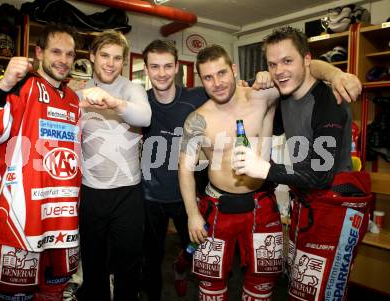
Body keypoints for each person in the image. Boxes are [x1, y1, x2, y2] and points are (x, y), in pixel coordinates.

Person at [178, 44, 362, 301]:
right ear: (201, 80)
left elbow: (306, 69)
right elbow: (185, 170)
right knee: (210, 284)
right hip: (217, 204)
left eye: (221, 73)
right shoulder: (196, 119)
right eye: (208, 77)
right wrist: (192, 214)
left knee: (262, 283)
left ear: (233, 69)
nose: (217, 83)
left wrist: (335, 75)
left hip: (261, 203)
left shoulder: (261, 95)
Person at [232, 27, 371, 301]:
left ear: (307, 60)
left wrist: (266, 169)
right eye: (272, 64)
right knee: (299, 288)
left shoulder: (329, 101)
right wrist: (260, 81)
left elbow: (320, 175)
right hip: (306, 203)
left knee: (322, 293)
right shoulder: (287, 95)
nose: (279, 70)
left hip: (335, 206)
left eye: (287, 61)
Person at [0, 24, 81, 301]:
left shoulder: (74, 99)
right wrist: (3, 85)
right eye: (56, 51)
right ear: (38, 52)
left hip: (63, 219)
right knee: (14, 296)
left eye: (70, 54)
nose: (63, 60)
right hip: (19, 219)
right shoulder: (19, 86)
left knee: (54, 293)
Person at [77, 30, 151, 301]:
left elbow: (144, 116)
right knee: (93, 264)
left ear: (124, 61)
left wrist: (113, 102)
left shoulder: (131, 89)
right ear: (93, 57)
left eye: (117, 58)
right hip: (91, 192)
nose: (110, 63)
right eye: (104, 55)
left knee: (128, 266)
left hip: (127, 193)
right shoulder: (77, 92)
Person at [140, 39, 209, 300]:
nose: (161, 73)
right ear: (146, 68)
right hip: (149, 198)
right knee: (151, 261)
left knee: (198, 253)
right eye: (155, 66)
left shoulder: (195, 97)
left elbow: (234, 92)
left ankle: (182, 265)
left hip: (186, 197)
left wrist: (257, 80)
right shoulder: (141, 102)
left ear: (177, 66)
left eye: (168, 66)